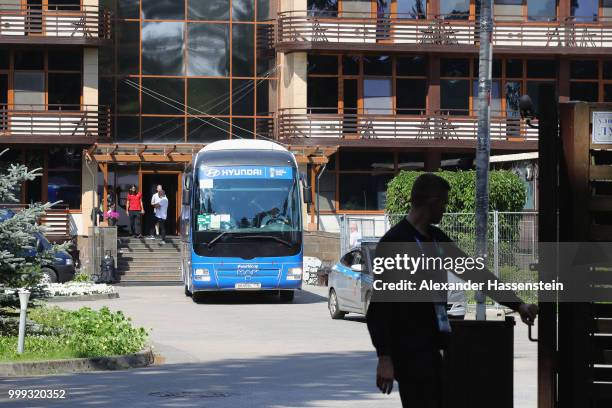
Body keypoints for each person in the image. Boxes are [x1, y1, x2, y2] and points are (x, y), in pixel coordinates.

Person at [366, 173, 538, 408]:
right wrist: (384, 358)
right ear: (432, 201)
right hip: (409, 353)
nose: (445, 209)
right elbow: (379, 308)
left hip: (435, 347)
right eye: (444, 203)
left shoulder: (436, 239)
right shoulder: (395, 242)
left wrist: (517, 304)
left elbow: (475, 273)